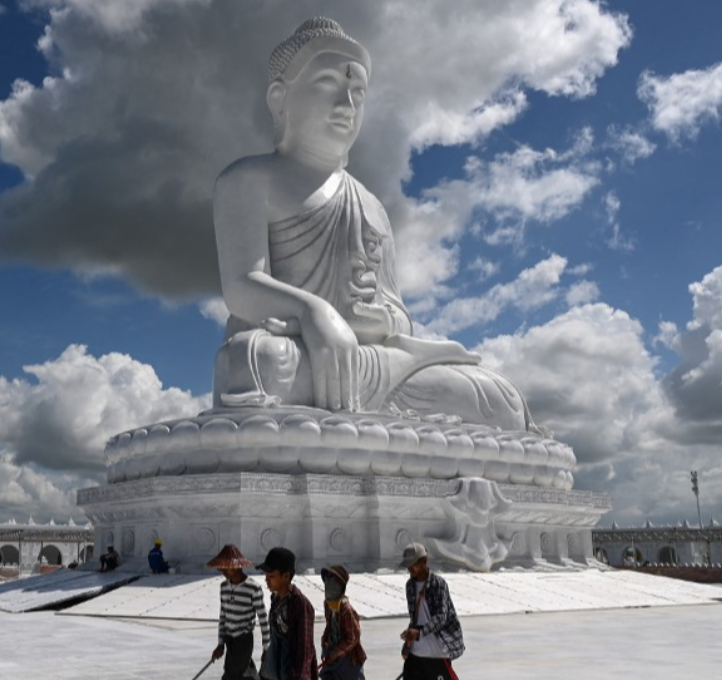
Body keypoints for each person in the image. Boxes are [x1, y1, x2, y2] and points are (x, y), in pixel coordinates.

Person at [211, 17, 537, 432]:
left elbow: (398, 317)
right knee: (255, 364)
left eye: (358, 92)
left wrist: (380, 320)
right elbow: (242, 286)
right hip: (294, 355)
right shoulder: (247, 180)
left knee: (498, 398)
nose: (346, 103)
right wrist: (315, 312)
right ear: (279, 99)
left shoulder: (371, 206)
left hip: (370, 365)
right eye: (327, 83)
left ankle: (352, 418)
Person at [398, 543, 468, 680]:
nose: (410, 569)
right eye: (408, 565)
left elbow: (441, 616)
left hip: (437, 653)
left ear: (424, 561)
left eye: (413, 564)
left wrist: (419, 633)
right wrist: (409, 641)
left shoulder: (438, 584)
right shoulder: (409, 586)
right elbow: (415, 618)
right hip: (416, 654)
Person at [208, 544, 269, 680]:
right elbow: (223, 617)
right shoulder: (224, 587)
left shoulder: (253, 588)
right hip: (230, 640)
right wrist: (220, 643)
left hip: (244, 639)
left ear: (238, 566)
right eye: (222, 568)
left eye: (227, 568)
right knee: (240, 676)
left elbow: (263, 618)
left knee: (232, 678)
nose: (224, 572)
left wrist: (267, 647)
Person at [256, 546, 317, 680]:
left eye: (271, 576)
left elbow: (304, 651)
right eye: (266, 576)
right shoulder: (275, 600)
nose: (267, 580)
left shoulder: (300, 605)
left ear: (286, 576)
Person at [316, 565, 370, 680]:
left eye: (332, 583)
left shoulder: (346, 609)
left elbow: (352, 638)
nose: (328, 586)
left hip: (348, 659)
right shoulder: (328, 605)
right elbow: (329, 626)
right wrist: (325, 643)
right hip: (332, 656)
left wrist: (336, 653)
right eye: (326, 582)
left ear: (341, 587)